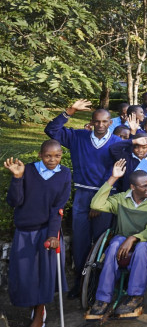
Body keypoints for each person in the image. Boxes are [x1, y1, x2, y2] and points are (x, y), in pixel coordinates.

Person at [44, 99, 123, 298]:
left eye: (105, 122)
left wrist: (101, 200)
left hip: (104, 197)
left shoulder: (117, 144)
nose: (101, 125)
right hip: (82, 196)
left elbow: (119, 174)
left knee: (100, 242)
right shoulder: (79, 137)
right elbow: (51, 131)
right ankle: (80, 282)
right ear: (91, 122)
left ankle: (96, 284)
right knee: (80, 242)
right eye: (97, 121)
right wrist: (70, 111)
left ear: (110, 123)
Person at [86, 161, 147, 318]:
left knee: (142, 249)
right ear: (133, 187)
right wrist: (113, 178)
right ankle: (102, 299)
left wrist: (133, 238)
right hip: (121, 237)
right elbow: (96, 204)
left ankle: (135, 296)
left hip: (145, 239)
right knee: (114, 245)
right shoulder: (121, 199)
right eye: (145, 186)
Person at [5, 140, 71, 327]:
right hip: (25, 231)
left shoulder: (64, 174)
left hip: (47, 232)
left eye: (57, 156)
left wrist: (52, 234)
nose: (52, 159)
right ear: (40, 155)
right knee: (26, 276)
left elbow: (58, 207)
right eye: (48, 156)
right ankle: (33, 306)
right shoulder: (28, 171)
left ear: (61, 156)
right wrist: (17, 178)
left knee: (44, 276)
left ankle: (39, 313)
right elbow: (14, 201)